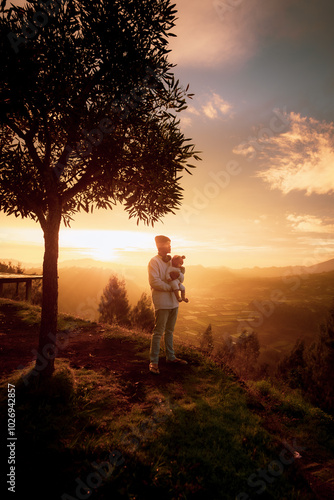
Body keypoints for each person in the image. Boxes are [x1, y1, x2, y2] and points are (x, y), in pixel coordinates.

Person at [148, 235, 188, 374]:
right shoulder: (154, 262)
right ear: (160, 246)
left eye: (170, 244)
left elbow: (181, 278)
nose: (170, 247)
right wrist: (172, 287)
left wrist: (179, 277)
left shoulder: (173, 260)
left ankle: (171, 357)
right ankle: (154, 361)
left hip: (174, 303)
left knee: (170, 331)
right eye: (167, 245)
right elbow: (155, 282)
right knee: (158, 332)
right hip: (162, 303)